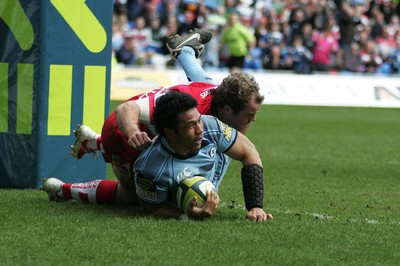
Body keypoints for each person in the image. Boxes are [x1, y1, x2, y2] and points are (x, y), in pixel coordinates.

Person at [43, 29, 266, 220]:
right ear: (226, 109)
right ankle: (63, 189)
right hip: (123, 130)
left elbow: (245, 148)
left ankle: (185, 50)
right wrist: (132, 133)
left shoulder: (215, 95)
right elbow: (126, 110)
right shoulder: (187, 106)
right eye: (249, 115)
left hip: (164, 132)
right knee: (132, 197)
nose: (253, 121)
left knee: (213, 142)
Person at [44, 91, 273, 221]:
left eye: (198, 120)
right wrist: (186, 214)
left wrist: (255, 206)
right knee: (130, 198)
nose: (200, 129)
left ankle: (93, 143)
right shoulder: (150, 169)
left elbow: (249, 152)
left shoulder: (211, 126)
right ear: (170, 133)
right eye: (191, 125)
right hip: (120, 134)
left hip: (154, 135)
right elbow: (152, 208)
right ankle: (63, 190)